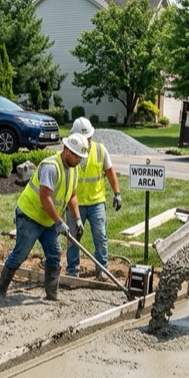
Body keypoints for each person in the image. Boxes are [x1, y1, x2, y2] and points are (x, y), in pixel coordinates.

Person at [0, 134, 88, 302]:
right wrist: (60, 222)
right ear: (66, 151)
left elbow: (72, 195)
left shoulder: (74, 169)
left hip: (48, 220)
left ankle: (52, 295)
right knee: (20, 254)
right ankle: (0, 292)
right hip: (30, 216)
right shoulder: (51, 167)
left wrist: (77, 218)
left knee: (54, 254)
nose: (79, 160)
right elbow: (45, 198)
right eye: (77, 156)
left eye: (81, 157)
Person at [65, 118, 122, 278]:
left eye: (88, 139)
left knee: (100, 236)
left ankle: (102, 269)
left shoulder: (100, 150)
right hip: (75, 203)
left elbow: (110, 172)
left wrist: (117, 193)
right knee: (73, 238)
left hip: (96, 201)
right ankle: (72, 271)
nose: (87, 142)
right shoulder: (69, 153)